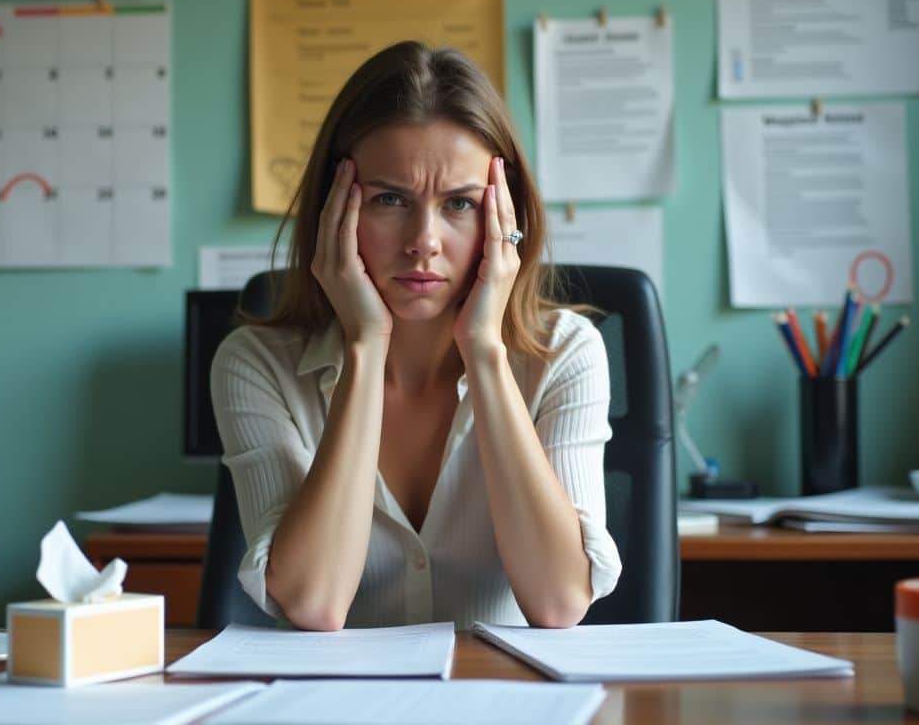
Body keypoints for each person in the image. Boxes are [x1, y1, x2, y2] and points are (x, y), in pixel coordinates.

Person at [210, 41, 621, 631]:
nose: (423, 240)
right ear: (334, 210)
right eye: (390, 199)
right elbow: (314, 604)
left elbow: (559, 604)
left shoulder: (567, 353)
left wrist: (484, 353)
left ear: (503, 219)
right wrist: (363, 348)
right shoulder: (255, 364)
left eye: (459, 203)